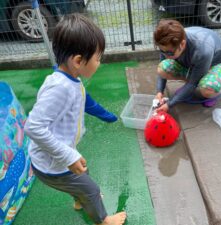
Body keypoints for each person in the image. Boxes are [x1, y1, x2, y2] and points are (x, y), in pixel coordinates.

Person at [24, 13, 126, 225]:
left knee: (83, 171)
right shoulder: (60, 88)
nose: (99, 62)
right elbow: (33, 127)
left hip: (60, 155)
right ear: (78, 60)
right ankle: (103, 220)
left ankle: (79, 199)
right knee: (92, 190)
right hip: (51, 166)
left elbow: (86, 103)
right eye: (98, 58)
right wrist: (67, 155)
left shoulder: (70, 79)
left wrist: (107, 116)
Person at [153, 19, 221, 112]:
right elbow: (163, 61)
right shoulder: (169, 44)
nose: (166, 55)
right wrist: (159, 92)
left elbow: (192, 83)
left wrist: (170, 104)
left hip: (219, 63)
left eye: (169, 53)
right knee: (163, 68)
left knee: (208, 89)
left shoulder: (202, 50)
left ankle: (214, 90)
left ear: (182, 44)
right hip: (197, 63)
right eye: (162, 51)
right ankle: (188, 89)